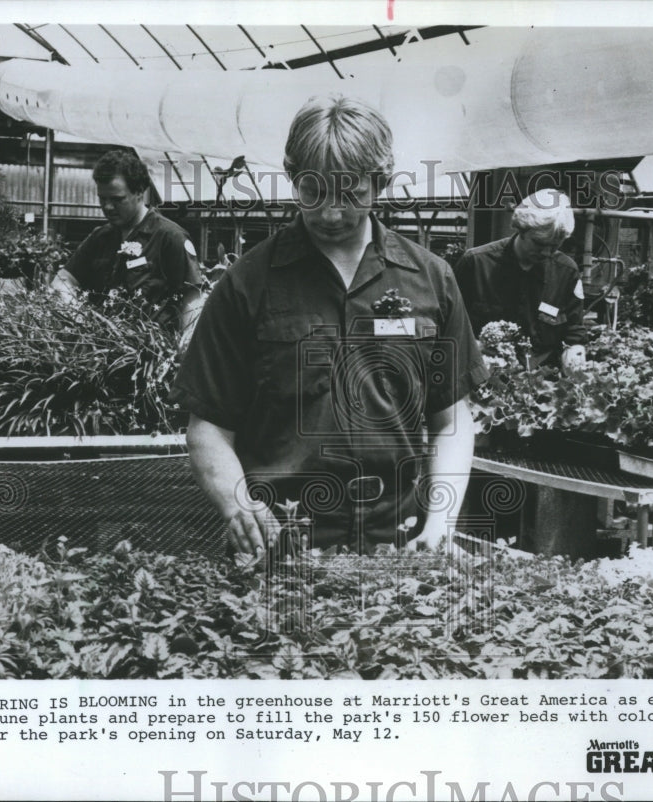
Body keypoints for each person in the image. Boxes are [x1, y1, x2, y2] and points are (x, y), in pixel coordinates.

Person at [172, 95, 488, 558]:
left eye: (350, 193)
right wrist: (237, 504)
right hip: (279, 542)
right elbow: (208, 427)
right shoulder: (249, 284)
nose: (331, 214)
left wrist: (440, 521)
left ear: (379, 182)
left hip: (397, 544)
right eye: (313, 192)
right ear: (292, 177)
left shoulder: (431, 279)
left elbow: (451, 419)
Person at [51, 149, 204, 347]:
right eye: (102, 198)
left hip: (150, 356)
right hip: (100, 353)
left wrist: (183, 351)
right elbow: (64, 280)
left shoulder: (170, 237)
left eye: (116, 199)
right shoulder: (100, 238)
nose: (107, 207)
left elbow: (192, 298)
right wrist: (75, 314)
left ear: (140, 192)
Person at [453, 189, 587, 370]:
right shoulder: (476, 264)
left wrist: (574, 357)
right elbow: (450, 326)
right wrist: (478, 349)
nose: (547, 253)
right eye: (539, 244)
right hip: (483, 375)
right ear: (521, 229)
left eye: (555, 246)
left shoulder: (566, 271)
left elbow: (573, 333)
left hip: (541, 383)